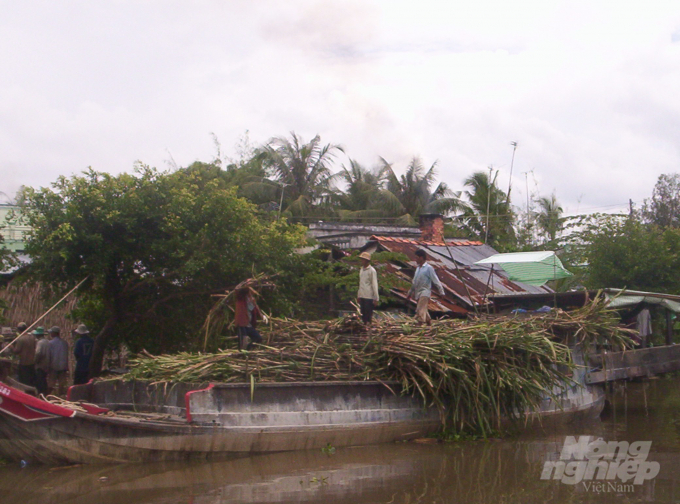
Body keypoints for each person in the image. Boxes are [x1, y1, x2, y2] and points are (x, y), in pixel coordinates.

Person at [406, 249, 445, 325]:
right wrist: (409, 293)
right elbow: (414, 282)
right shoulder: (418, 268)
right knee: (423, 309)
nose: (415, 259)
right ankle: (428, 322)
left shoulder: (428, 268)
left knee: (419, 309)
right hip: (418, 292)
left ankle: (420, 323)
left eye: (417, 258)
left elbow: (436, 280)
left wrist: (441, 292)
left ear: (421, 258)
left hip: (425, 292)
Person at [357, 251, 379, 324]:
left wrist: (376, 298)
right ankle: (364, 329)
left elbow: (374, 284)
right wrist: (359, 295)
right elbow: (360, 283)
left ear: (367, 261)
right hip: (362, 295)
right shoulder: (361, 270)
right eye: (361, 259)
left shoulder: (372, 271)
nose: (362, 261)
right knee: (362, 314)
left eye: (363, 259)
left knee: (368, 315)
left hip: (369, 296)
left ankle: (368, 328)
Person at [47, 326, 69, 396]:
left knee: (51, 383)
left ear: (54, 333)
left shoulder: (50, 343)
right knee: (62, 384)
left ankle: (49, 396)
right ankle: (61, 396)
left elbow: (49, 355)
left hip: (53, 366)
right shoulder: (64, 343)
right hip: (63, 366)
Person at [34, 327, 50, 395]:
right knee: (44, 379)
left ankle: (41, 394)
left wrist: (35, 361)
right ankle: (45, 393)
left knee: (40, 380)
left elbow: (38, 353)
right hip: (47, 364)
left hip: (40, 364)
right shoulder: (47, 341)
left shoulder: (40, 342)